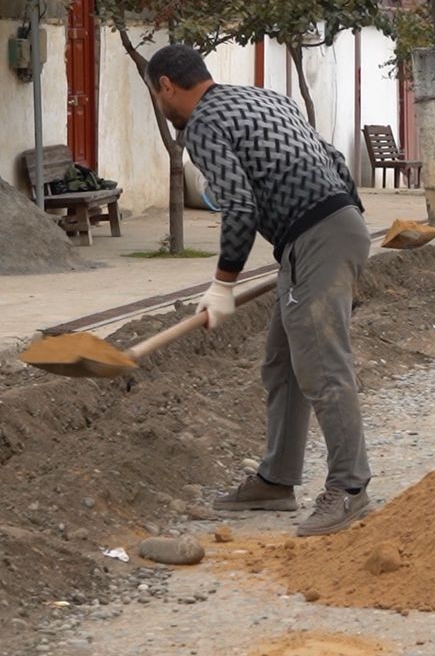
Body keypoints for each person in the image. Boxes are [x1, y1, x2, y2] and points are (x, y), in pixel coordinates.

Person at [144, 45, 372, 537]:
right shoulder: (264, 98)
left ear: (166, 85)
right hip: (326, 229)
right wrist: (351, 230)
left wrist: (222, 283)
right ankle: (277, 479)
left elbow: (240, 208)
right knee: (283, 362)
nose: (160, 106)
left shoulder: (202, 124)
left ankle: (350, 488)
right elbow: (332, 157)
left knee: (322, 365)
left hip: (316, 236)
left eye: (155, 94)